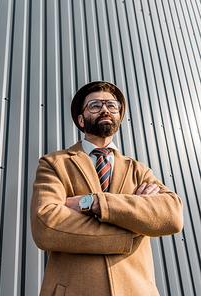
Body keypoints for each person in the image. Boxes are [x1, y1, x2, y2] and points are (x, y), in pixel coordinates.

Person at [30, 81, 183, 296]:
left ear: (119, 116)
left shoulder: (139, 170)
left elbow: (172, 215)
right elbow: (46, 226)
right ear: (81, 120)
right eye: (94, 105)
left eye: (112, 105)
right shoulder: (55, 163)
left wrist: (93, 202)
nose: (105, 109)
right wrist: (131, 228)